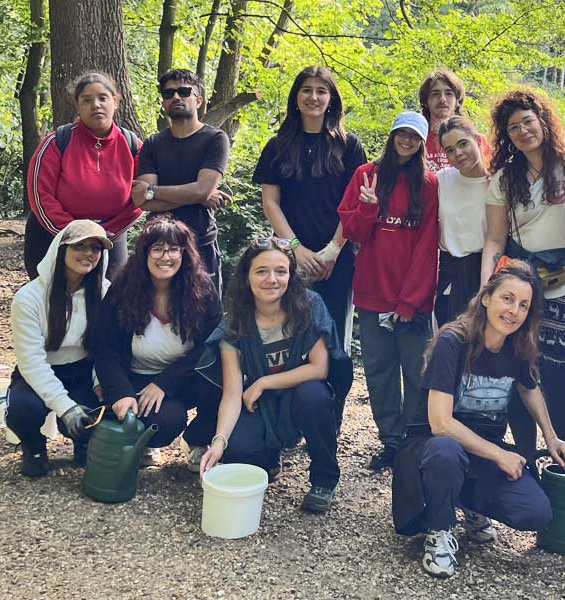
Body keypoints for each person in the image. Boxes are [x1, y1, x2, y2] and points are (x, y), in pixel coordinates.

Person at [391, 259, 565, 578]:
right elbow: (441, 424)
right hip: (430, 450)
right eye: (507, 299)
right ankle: (440, 531)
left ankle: (464, 501)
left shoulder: (517, 345)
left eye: (523, 305)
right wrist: (500, 454)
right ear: (487, 297)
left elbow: (529, 389)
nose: (514, 311)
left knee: (535, 512)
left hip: (478, 452)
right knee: (446, 451)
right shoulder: (453, 342)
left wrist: (551, 437)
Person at [188, 237, 345, 512]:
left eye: (280, 271)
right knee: (239, 447)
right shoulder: (234, 324)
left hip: (300, 394)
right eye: (261, 271)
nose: (271, 279)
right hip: (261, 405)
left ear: (290, 275)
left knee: (314, 396)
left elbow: (319, 368)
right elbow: (233, 393)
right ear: (246, 277)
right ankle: (269, 456)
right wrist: (218, 442)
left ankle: (324, 479)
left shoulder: (309, 306)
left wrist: (263, 381)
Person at [481, 87, 565, 464]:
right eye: (513, 127)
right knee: (519, 376)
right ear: (506, 136)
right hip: (522, 290)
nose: (523, 131)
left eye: (528, 121)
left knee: (558, 382)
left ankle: (564, 469)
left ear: (543, 121)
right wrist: (487, 289)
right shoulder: (505, 180)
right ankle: (527, 464)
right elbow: (494, 239)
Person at [253, 66, 361, 428]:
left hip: (337, 258)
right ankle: (290, 417)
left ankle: (331, 414)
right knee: (292, 335)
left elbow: (355, 203)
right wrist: (295, 249)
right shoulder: (278, 146)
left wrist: (332, 250)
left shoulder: (349, 146)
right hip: (288, 259)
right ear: (295, 98)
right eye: (306, 90)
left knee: (331, 336)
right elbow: (271, 202)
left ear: (332, 99)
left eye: (321, 91)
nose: (313, 97)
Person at [338, 111, 440, 471]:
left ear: (422, 142)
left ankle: (414, 441)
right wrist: (368, 208)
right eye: (402, 133)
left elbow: (428, 247)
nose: (407, 141)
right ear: (393, 134)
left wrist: (410, 301)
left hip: (412, 300)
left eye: (415, 136)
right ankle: (391, 442)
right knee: (380, 372)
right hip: (370, 293)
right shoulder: (366, 174)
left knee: (416, 372)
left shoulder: (429, 185)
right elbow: (354, 233)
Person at [89, 215, 222, 461]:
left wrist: (165, 382)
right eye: (157, 249)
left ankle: (198, 440)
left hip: (185, 375)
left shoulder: (202, 288)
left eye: (173, 249)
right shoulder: (123, 288)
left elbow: (211, 343)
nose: (166, 257)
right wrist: (120, 392)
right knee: (165, 421)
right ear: (144, 253)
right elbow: (104, 346)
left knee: (220, 380)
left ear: (184, 254)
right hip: (137, 377)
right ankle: (146, 441)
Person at [6, 220, 112, 477]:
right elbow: (31, 361)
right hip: (39, 371)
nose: (88, 254)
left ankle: (84, 444)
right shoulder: (29, 297)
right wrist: (66, 407)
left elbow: (106, 346)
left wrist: (100, 380)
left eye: (95, 248)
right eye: (79, 245)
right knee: (22, 409)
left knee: (98, 413)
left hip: (83, 369)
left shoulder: (105, 292)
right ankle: (34, 447)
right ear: (60, 249)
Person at [25, 73, 142, 280]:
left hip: (109, 239)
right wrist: (74, 234)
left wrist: (102, 234)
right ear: (77, 106)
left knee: (108, 301)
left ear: (115, 101)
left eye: (102, 98)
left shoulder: (133, 146)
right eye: (86, 100)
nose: (95, 105)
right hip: (52, 236)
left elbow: (140, 199)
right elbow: (40, 194)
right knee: (53, 303)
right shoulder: (57, 142)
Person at [131, 68, 231, 295]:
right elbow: (141, 200)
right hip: (159, 246)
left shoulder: (215, 139)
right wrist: (196, 195)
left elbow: (201, 191)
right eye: (169, 94)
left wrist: (154, 191)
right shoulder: (153, 143)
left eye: (184, 91)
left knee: (205, 321)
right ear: (163, 104)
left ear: (198, 100)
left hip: (201, 243)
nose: (176, 97)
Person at [434, 116, 490, 326]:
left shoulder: (497, 181)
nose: (457, 153)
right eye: (449, 150)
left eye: (463, 143)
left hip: (486, 273)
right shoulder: (442, 179)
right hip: (449, 274)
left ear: (477, 139)